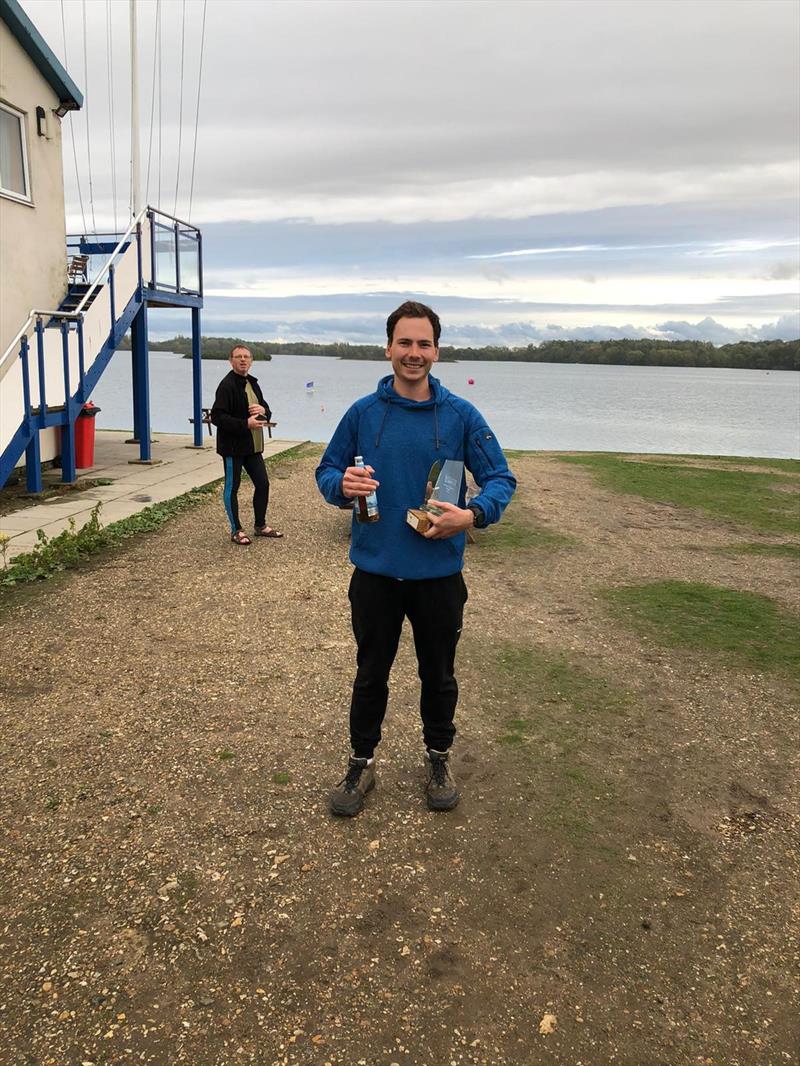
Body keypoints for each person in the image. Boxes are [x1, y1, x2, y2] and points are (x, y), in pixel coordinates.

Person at [316, 301, 516, 816]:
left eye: (423, 344)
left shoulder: (460, 416)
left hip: (438, 576)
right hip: (376, 573)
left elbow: (501, 479)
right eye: (404, 343)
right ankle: (362, 763)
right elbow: (326, 472)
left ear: (436, 351)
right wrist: (341, 485)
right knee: (369, 673)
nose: (414, 353)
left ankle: (438, 758)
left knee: (439, 674)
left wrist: (470, 516)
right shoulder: (362, 414)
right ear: (388, 348)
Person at [210, 345, 283, 545]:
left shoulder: (252, 383)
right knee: (232, 487)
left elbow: (264, 409)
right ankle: (236, 530)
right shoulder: (226, 385)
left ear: (251, 361)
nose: (243, 360)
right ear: (231, 361)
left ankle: (260, 525)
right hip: (233, 448)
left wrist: (264, 410)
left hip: (253, 447)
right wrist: (245, 424)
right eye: (238, 357)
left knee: (263, 484)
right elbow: (216, 416)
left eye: (246, 357)